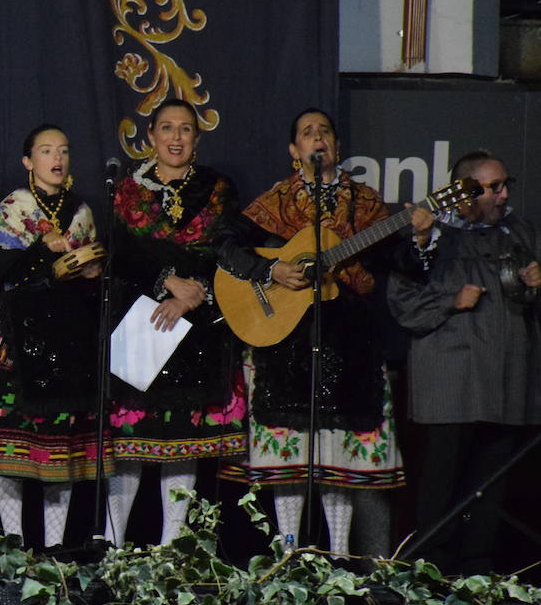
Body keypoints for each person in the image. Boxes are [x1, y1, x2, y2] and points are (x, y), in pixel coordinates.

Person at [216, 107, 431, 556]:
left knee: (340, 458)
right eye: (307, 133)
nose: (318, 138)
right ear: (295, 151)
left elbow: (404, 266)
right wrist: (272, 270)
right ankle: (289, 551)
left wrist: (421, 238)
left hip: (351, 345)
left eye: (325, 131)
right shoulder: (273, 202)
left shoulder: (368, 204)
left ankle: (338, 556)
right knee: (291, 458)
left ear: (336, 146)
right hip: (286, 346)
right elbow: (225, 247)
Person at [388, 150, 541, 574]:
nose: (503, 195)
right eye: (492, 188)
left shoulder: (521, 232)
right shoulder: (430, 235)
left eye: (505, 184)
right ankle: (429, 571)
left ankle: (478, 570)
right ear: (463, 193)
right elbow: (403, 303)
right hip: (450, 378)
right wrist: (451, 301)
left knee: (490, 485)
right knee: (442, 480)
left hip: (507, 376)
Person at [105, 99, 247, 546]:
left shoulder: (218, 188)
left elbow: (224, 249)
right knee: (130, 441)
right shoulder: (127, 190)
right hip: (140, 321)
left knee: (180, 442)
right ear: (151, 137)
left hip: (196, 329)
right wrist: (167, 282)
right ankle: (113, 545)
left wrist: (191, 295)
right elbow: (122, 257)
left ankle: (170, 550)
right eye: (166, 128)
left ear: (197, 139)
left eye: (185, 129)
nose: (176, 137)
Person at [0, 124, 104, 549]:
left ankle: (55, 548)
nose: (57, 159)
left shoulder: (82, 211)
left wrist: (91, 274)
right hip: (20, 334)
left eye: (64, 151)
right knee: (14, 445)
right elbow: (1, 273)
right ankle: (13, 542)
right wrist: (42, 249)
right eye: (47, 151)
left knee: (61, 446)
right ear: (27, 161)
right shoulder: (15, 205)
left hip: (67, 337)